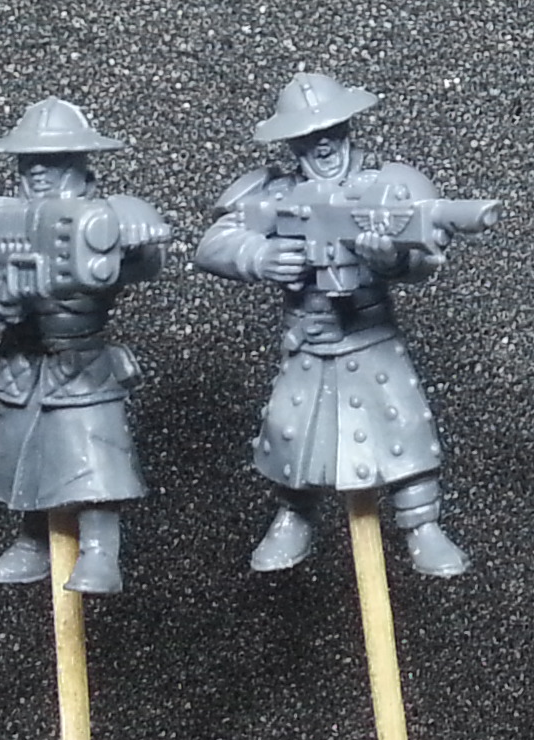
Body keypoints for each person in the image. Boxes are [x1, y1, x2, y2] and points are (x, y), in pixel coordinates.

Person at [192, 72, 481, 578]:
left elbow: (424, 254)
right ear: (292, 144)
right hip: (309, 341)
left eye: (331, 131)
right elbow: (213, 244)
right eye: (308, 137)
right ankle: (294, 516)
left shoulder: (386, 188)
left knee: (404, 429)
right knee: (293, 436)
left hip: (370, 338)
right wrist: (260, 256)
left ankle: (422, 526)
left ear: (348, 129)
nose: (323, 145)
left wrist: (389, 259)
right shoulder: (275, 194)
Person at [0, 98, 171, 596]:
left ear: (81, 163)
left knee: (95, 455)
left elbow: (146, 260)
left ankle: (101, 550)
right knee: (23, 454)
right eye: (30, 161)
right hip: (22, 360)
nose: (39, 171)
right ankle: (32, 540)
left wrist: (123, 244)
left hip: (82, 359)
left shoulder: (106, 216)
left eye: (54, 160)